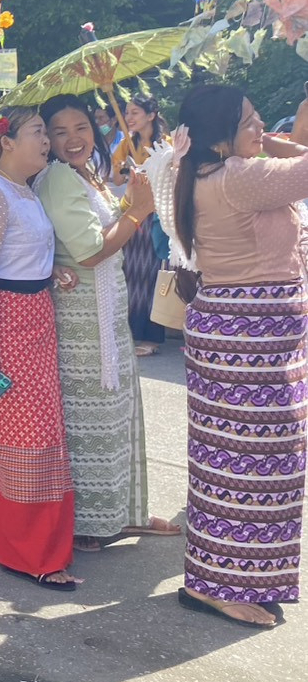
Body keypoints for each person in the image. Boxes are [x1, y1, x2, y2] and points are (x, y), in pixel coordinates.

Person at [171, 84, 308, 628]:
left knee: (234, 465)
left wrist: (262, 140)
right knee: (249, 470)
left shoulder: (210, 174)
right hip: (249, 339)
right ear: (220, 138)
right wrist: (287, 136)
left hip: (251, 337)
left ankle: (225, 578)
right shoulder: (239, 178)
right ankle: (217, 586)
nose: (259, 131)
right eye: (249, 123)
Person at [36, 94, 179, 553]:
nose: (72, 138)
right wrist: (136, 212)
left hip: (106, 309)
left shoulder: (86, 174)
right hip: (82, 319)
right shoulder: (58, 178)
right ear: (46, 139)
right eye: (59, 131)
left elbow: (106, 232)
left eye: (80, 127)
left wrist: (137, 203)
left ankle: (121, 513)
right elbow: (90, 250)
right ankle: (92, 522)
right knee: (91, 417)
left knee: (116, 412)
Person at [0, 106, 80, 590]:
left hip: (32, 319)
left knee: (25, 432)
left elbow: (15, 257)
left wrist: (51, 272)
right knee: (27, 436)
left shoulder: (21, 189)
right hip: (2, 328)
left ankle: (13, 540)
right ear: (5, 140)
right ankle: (31, 551)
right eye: (37, 132)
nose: (47, 140)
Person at [115, 95, 170, 357]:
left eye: (135, 112)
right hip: (134, 212)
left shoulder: (166, 144)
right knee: (131, 272)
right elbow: (113, 174)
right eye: (127, 113)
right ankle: (132, 332)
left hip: (157, 214)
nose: (129, 118)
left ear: (151, 114)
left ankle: (152, 336)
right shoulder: (128, 143)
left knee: (151, 274)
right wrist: (127, 169)